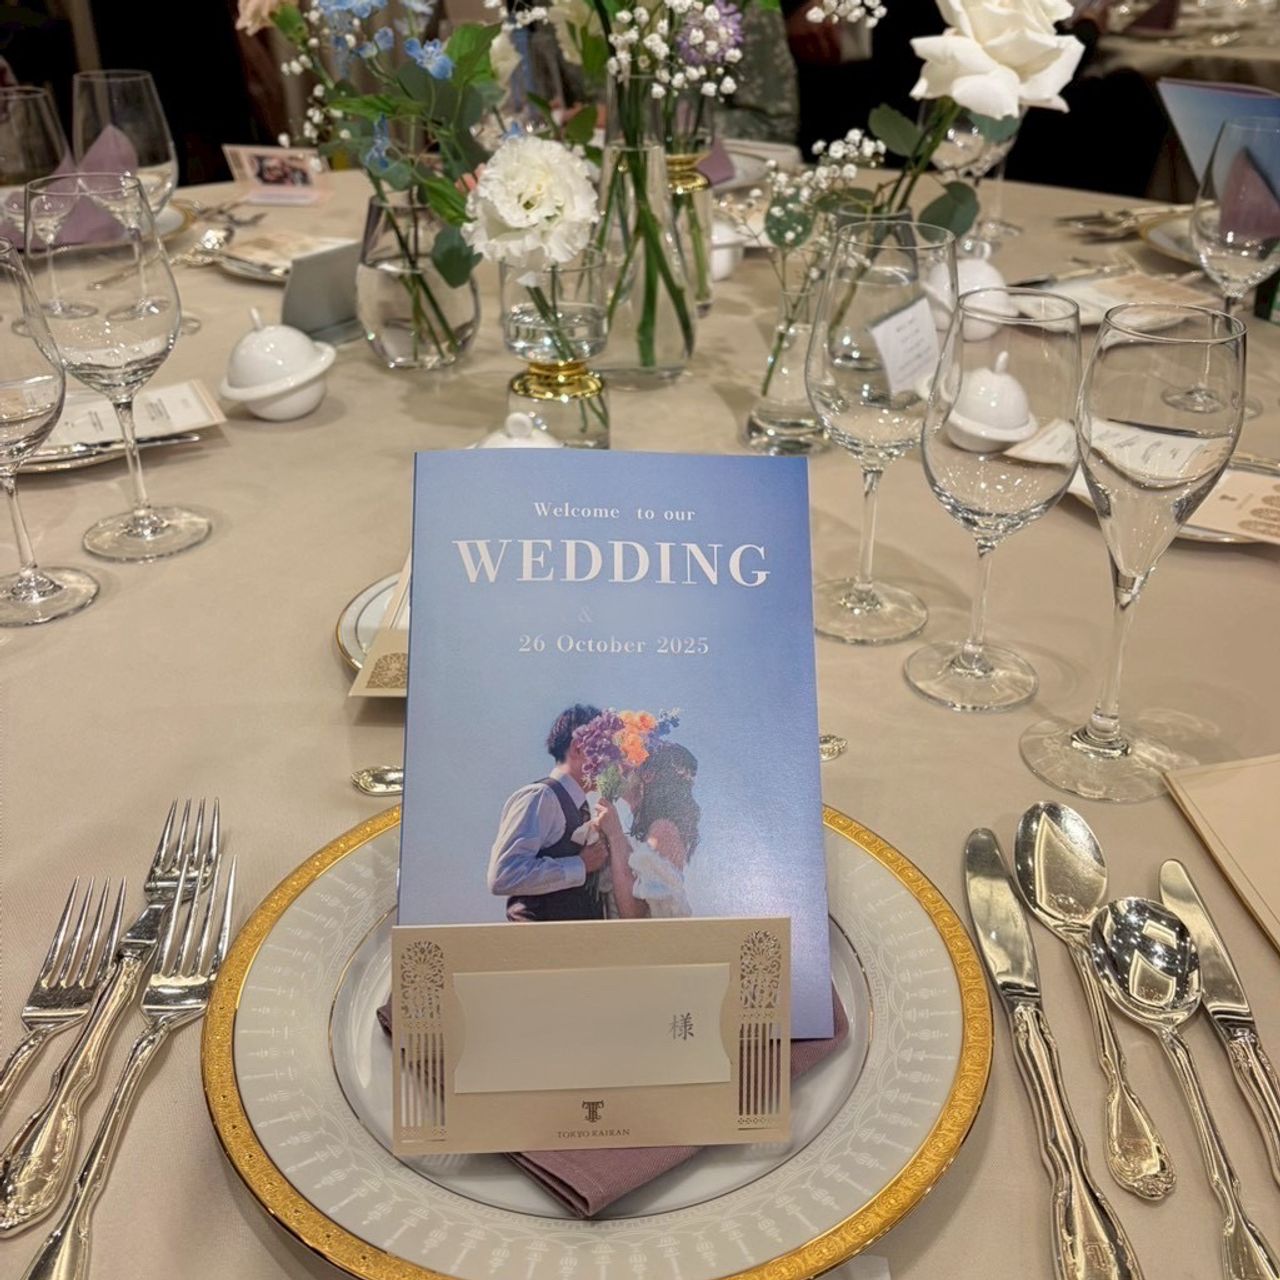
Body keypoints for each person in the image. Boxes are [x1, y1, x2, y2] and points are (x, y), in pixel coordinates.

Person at [487, 703, 610, 921]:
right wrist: (580, 865)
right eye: (605, 750)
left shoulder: (582, 806)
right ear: (578, 747)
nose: (610, 762)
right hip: (539, 938)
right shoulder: (541, 796)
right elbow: (504, 874)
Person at [596, 741, 700, 919]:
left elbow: (634, 916)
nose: (619, 767)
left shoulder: (663, 830)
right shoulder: (649, 831)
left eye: (630, 760)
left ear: (649, 774)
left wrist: (615, 835)